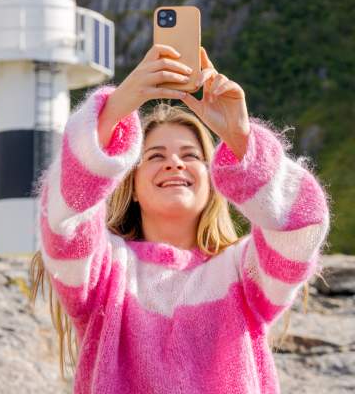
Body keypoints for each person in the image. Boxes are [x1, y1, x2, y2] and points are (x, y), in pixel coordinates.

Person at [29, 44, 331, 393]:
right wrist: (114, 111)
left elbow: (303, 223)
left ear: (214, 179)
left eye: (191, 155)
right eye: (155, 156)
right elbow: (63, 218)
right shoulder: (104, 271)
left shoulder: (246, 274)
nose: (175, 163)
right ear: (132, 184)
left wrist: (241, 139)